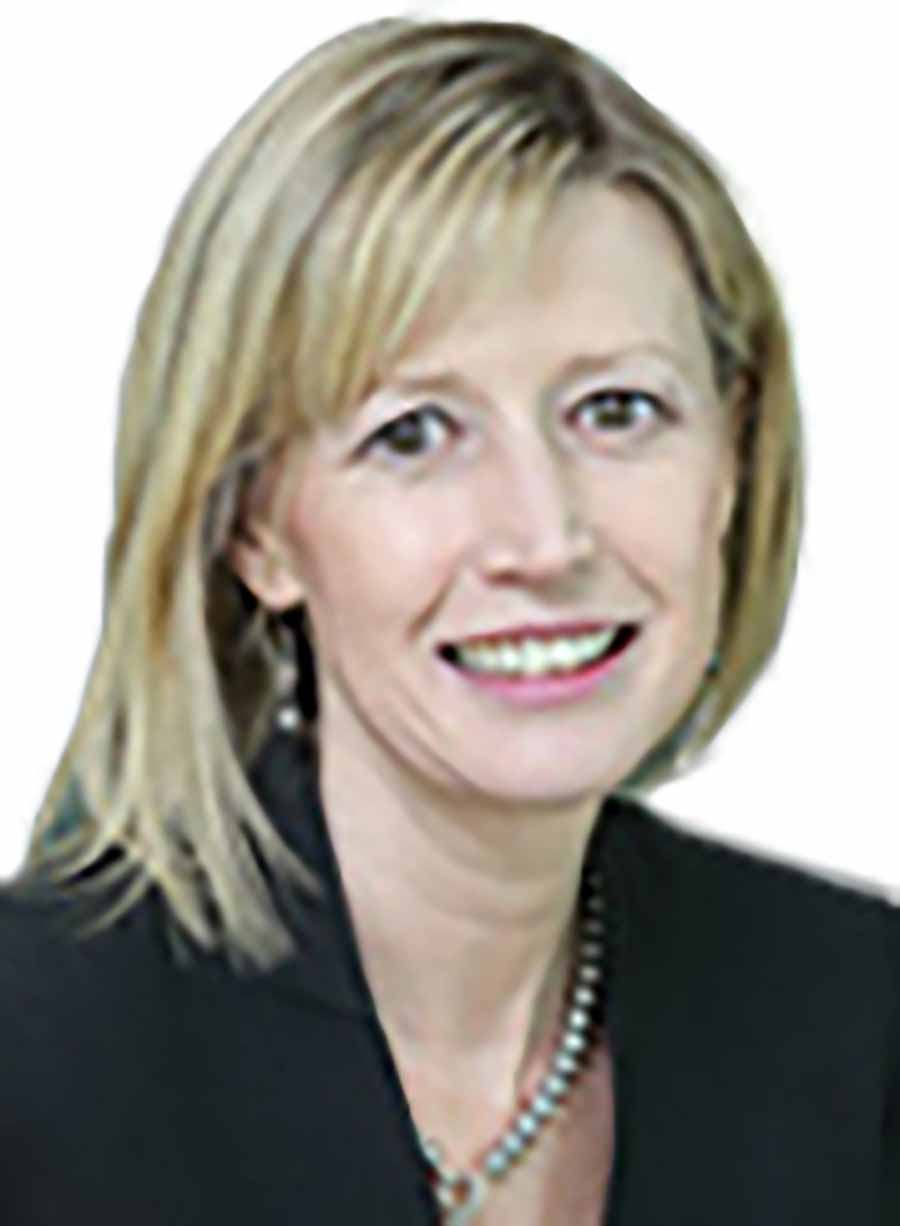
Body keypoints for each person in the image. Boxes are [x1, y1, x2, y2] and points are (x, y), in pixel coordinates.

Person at [1, 14, 897, 1226]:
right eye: (413, 433)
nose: (545, 535)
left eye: (617, 410)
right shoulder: (36, 1063)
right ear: (255, 525)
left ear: (733, 455)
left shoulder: (858, 1019)